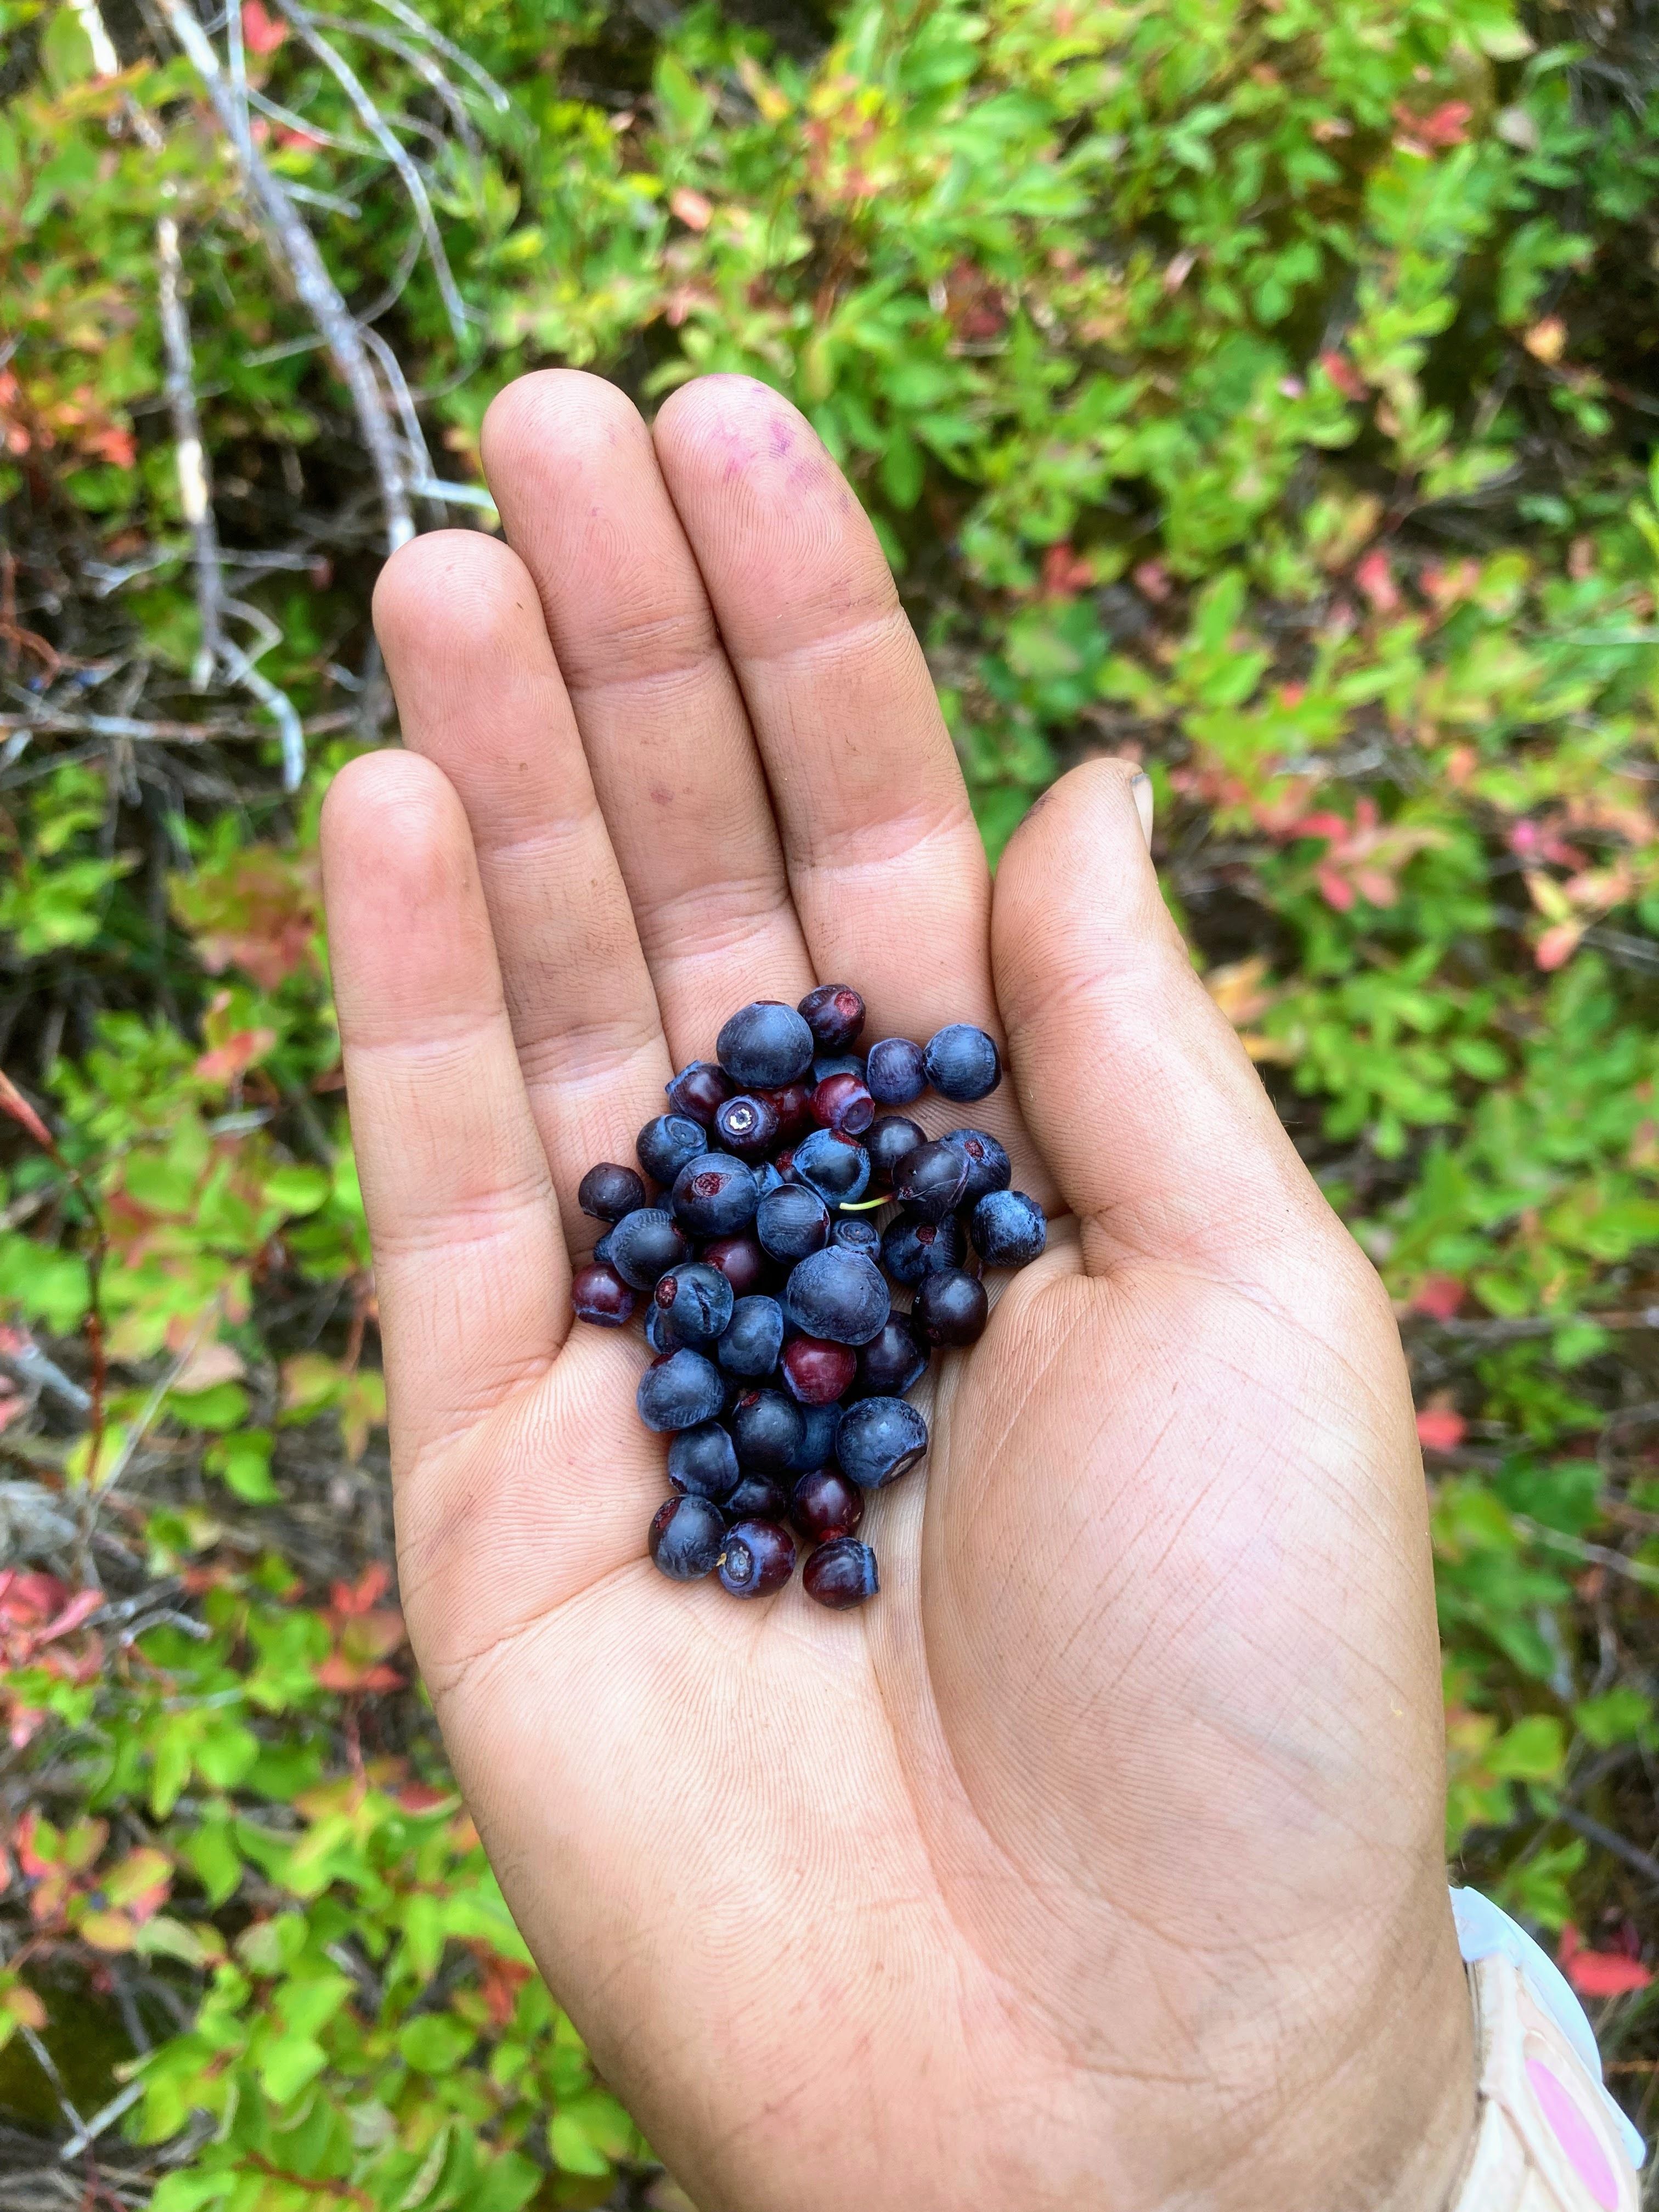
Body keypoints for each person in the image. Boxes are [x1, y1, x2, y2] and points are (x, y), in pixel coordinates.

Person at [319, 371, 1641, 2212]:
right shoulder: (780, 1323)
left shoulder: (854, 1289)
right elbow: (737, 1300)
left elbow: (783, 1298)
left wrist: (1345, 2147)